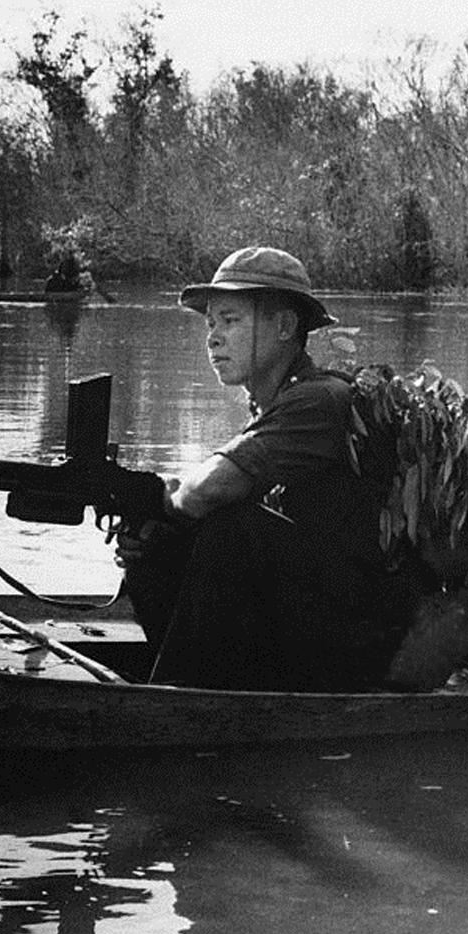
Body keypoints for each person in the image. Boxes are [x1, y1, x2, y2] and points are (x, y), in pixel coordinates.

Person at [114, 246, 395, 691]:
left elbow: (208, 491)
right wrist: (155, 524)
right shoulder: (276, 402)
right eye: (211, 324)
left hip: (359, 635)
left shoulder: (319, 400)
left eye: (230, 321)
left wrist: (160, 498)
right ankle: (185, 681)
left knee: (231, 526)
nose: (213, 338)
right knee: (158, 540)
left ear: (285, 326)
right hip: (318, 617)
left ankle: (186, 694)